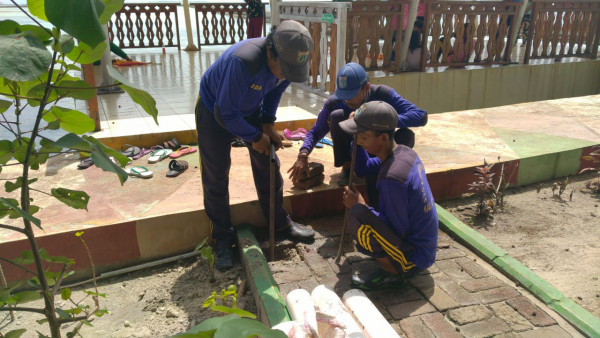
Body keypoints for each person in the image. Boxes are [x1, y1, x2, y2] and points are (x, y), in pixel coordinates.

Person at [195, 20, 316, 271]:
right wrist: (254, 137)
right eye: (283, 69)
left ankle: (279, 223)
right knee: (216, 176)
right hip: (214, 111)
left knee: (269, 161)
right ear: (271, 52)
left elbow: (274, 91)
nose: (285, 75)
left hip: (248, 110)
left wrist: (268, 125)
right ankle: (223, 240)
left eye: (291, 72)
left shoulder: (287, 64)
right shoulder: (244, 62)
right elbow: (225, 114)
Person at [339, 101, 438, 290]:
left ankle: (393, 272)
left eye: (364, 137)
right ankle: (395, 262)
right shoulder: (405, 153)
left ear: (383, 138)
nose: (359, 141)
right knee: (362, 211)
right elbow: (364, 166)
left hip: (415, 257)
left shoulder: (391, 178)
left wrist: (361, 205)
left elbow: (397, 229)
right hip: (424, 247)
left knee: (356, 215)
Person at [287, 62, 428, 189]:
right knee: (336, 116)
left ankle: (386, 166)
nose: (347, 100)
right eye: (344, 94)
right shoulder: (334, 103)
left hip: (378, 145)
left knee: (406, 136)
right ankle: (348, 167)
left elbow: (421, 116)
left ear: (366, 87)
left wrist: (380, 119)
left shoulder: (383, 94)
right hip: (356, 147)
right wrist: (303, 154)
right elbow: (316, 132)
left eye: (351, 94)